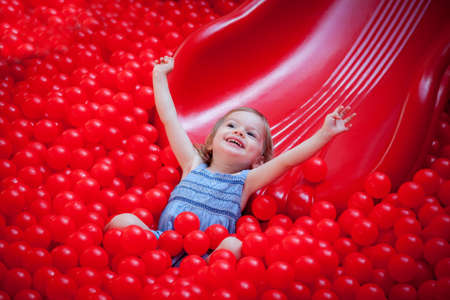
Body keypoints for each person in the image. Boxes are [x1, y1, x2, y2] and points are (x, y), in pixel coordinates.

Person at [105, 56, 356, 261]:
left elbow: (287, 161)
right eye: (232, 125)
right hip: (159, 245)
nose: (239, 132)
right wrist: (159, 76)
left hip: (206, 258)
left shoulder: (245, 181)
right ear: (212, 141)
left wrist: (325, 134)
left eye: (250, 134)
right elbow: (169, 118)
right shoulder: (193, 164)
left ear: (258, 160)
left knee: (234, 245)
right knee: (122, 220)